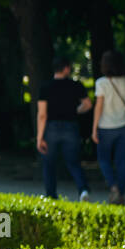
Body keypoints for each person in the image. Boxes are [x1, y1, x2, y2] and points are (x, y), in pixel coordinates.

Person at [36, 56, 93, 201]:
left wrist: (39, 137)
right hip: (71, 127)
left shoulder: (45, 87)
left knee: (49, 164)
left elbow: (42, 114)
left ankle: (51, 196)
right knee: (73, 162)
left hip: (51, 128)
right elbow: (87, 104)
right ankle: (83, 190)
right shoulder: (76, 85)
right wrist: (76, 110)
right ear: (67, 68)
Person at [92, 50, 125, 205]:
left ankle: (114, 188)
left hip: (106, 127)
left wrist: (94, 128)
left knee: (103, 159)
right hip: (124, 127)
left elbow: (99, 107)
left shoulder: (101, 83)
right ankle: (121, 194)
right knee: (121, 161)